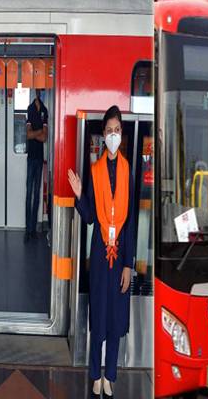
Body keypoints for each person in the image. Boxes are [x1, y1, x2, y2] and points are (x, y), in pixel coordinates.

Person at [68, 105, 135, 399]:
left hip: (119, 254)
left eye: (117, 131)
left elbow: (130, 219)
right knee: (99, 315)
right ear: (103, 134)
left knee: (115, 317)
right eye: (109, 131)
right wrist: (81, 194)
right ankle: (95, 374)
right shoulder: (94, 171)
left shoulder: (127, 169)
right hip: (98, 253)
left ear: (122, 134)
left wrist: (128, 265)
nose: (113, 135)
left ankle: (110, 374)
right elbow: (91, 217)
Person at [25, 89, 48, 242]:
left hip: (39, 158)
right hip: (31, 157)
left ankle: (33, 230)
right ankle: (28, 229)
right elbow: (28, 134)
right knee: (29, 194)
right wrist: (37, 132)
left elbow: (44, 138)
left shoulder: (45, 111)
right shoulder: (30, 109)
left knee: (37, 195)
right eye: (38, 89)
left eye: (42, 90)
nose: (40, 92)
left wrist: (36, 132)